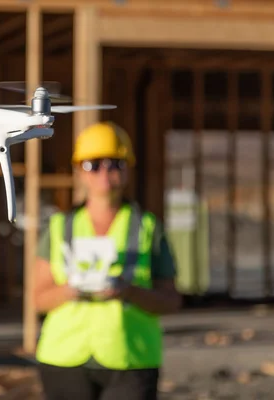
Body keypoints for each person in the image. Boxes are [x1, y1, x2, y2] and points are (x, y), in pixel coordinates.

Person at [33, 121, 182, 400]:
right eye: (93, 164)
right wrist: (70, 290)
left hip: (132, 358)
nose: (105, 171)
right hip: (64, 358)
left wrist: (129, 291)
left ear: (127, 168)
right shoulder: (57, 228)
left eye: (115, 163)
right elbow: (38, 298)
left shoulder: (149, 228)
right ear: (79, 170)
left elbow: (171, 301)